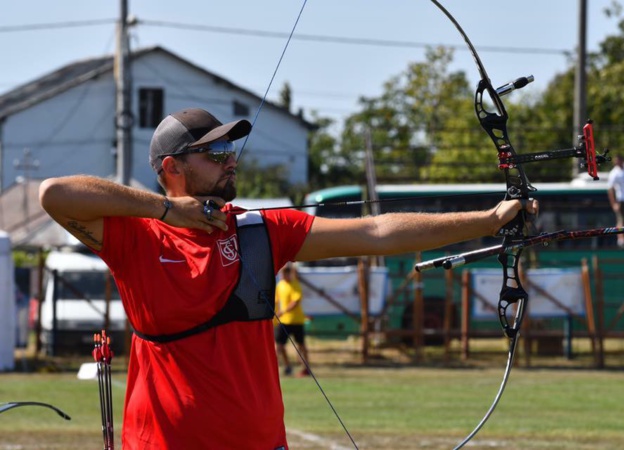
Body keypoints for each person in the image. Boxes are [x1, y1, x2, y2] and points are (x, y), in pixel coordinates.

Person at [39, 107, 538, 450]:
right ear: (172, 168)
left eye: (230, 149)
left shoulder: (262, 232)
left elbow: (377, 232)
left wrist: (489, 220)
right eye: (213, 154)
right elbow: (54, 194)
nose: (230, 158)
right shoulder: (138, 238)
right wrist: (167, 210)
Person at [275, 262, 309, 377]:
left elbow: (296, 301)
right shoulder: (280, 285)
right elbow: (276, 301)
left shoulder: (295, 284)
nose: (284, 275)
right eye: (283, 272)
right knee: (279, 345)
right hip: (284, 321)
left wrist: (282, 311)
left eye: (286, 272)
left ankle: (306, 367)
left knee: (301, 345)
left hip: (297, 320)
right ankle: (287, 366)